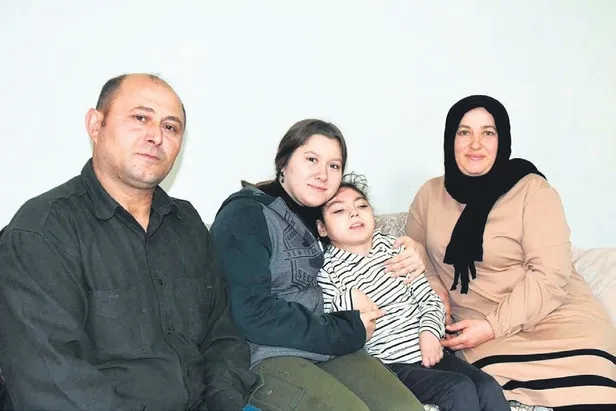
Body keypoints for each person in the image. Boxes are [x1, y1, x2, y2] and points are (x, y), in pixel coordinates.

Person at [0, 73, 257, 411]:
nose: (156, 136)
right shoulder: (42, 230)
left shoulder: (187, 224)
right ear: (96, 125)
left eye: (170, 127)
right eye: (140, 118)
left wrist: (227, 403)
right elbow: (51, 379)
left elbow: (223, 339)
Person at [406, 94, 616, 409]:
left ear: (502, 140)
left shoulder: (533, 191)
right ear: (450, 139)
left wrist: (492, 326)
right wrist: (436, 286)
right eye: (464, 132)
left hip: (558, 323)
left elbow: (550, 276)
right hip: (484, 338)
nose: (475, 144)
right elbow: (414, 255)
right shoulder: (429, 195)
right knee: (484, 390)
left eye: (488, 133)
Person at [209, 119, 426, 411]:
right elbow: (251, 313)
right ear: (284, 162)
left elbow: (370, 248)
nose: (322, 174)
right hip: (267, 354)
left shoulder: (321, 217)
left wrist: (415, 249)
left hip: (326, 347)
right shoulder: (246, 215)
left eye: (333, 165)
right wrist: (343, 331)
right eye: (311, 159)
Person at [315, 173, 510, 411]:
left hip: (430, 349)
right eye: (339, 210)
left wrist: (429, 332)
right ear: (322, 228)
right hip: (391, 365)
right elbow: (330, 319)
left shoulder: (397, 250)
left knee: (487, 386)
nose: (354, 213)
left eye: (361, 206)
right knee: (458, 389)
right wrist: (349, 299)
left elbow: (430, 299)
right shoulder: (328, 269)